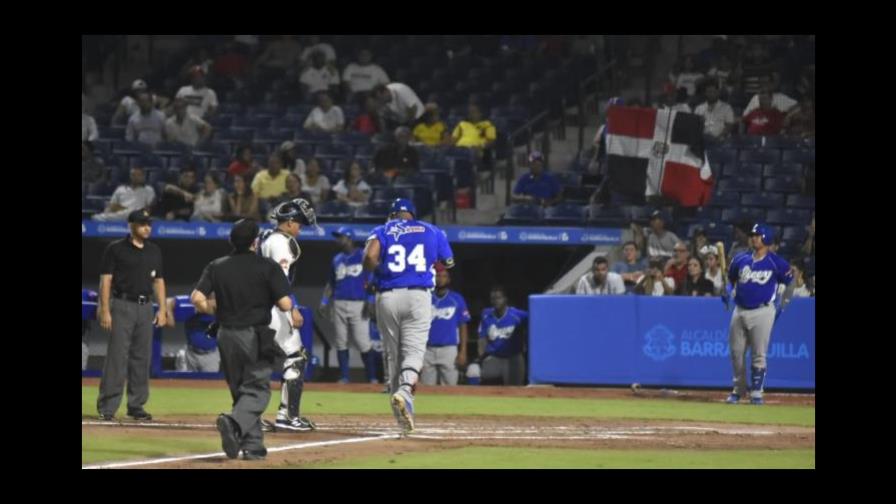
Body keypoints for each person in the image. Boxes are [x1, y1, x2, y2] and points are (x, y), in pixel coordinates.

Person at [190, 219, 295, 461]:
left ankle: (253, 446)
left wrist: (215, 309)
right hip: (254, 335)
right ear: (255, 241)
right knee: (258, 390)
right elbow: (285, 304)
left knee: (241, 391)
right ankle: (233, 422)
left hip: (225, 334)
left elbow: (196, 298)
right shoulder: (267, 266)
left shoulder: (216, 265)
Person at [363, 198, 455, 433]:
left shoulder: (383, 229)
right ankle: (405, 392)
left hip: (387, 296)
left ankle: (401, 416)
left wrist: (374, 275)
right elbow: (448, 262)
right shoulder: (432, 230)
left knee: (393, 356)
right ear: (413, 214)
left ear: (393, 214)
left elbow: (370, 258)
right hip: (418, 295)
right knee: (414, 352)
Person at [96, 209, 167, 421]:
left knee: (141, 358)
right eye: (142, 223)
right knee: (117, 358)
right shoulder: (116, 249)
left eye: (149, 223)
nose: (147, 227)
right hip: (122, 305)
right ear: (131, 225)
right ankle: (107, 406)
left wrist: (162, 309)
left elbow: (159, 281)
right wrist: (105, 309)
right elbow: (106, 280)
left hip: (146, 308)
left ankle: (136, 405)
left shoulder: (154, 250)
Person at [255, 199, 319, 432]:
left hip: (257, 306)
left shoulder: (264, 237)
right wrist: (291, 307)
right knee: (296, 356)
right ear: (289, 222)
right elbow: (278, 279)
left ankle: (249, 416)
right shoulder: (282, 242)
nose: (300, 228)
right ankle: (287, 416)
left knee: (258, 361)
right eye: (299, 224)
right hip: (274, 306)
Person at [723, 223, 796, 405]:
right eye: (753, 235)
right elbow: (731, 279)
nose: (754, 238)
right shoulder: (740, 259)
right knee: (736, 353)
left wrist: (784, 303)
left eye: (757, 235)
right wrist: (727, 290)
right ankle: (738, 390)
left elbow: (791, 281)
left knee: (758, 353)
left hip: (763, 310)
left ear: (766, 238)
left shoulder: (776, 262)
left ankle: (756, 392)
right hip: (739, 309)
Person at [320, 227, 377, 384]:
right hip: (339, 303)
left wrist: (370, 301)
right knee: (340, 341)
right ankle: (344, 376)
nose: (337, 240)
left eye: (340, 237)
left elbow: (372, 280)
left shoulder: (362, 255)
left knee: (363, 342)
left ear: (349, 238)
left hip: (359, 304)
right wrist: (324, 301)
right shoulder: (336, 259)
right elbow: (331, 282)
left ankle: (371, 377)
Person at [467, 286, 528, 386]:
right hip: (494, 358)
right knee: (472, 370)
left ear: (505, 299)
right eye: (493, 298)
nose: (496, 301)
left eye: (499, 298)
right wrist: (480, 357)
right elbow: (482, 338)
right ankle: (476, 399)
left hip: (513, 358)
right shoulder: (486, 314)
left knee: (514, 390)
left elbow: (536, 320)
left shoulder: (517, 315)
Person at [422, 263, 471, 386]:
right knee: (427, 390)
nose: (440, 279)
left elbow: (463, 326)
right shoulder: (425, 297)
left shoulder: (456, 298)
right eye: (438, 276)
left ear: (448, 279)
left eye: (444, 276)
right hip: (428, 349)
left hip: (449, 349)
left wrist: (463, 351)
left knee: (450, 390)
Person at [165, 295, 220, 372]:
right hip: (191, 354)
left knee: (210, 383)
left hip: (210, 355)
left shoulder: (221, 304)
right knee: (187, 383)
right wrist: (169, 314)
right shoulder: (192, 301)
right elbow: (168, 301)